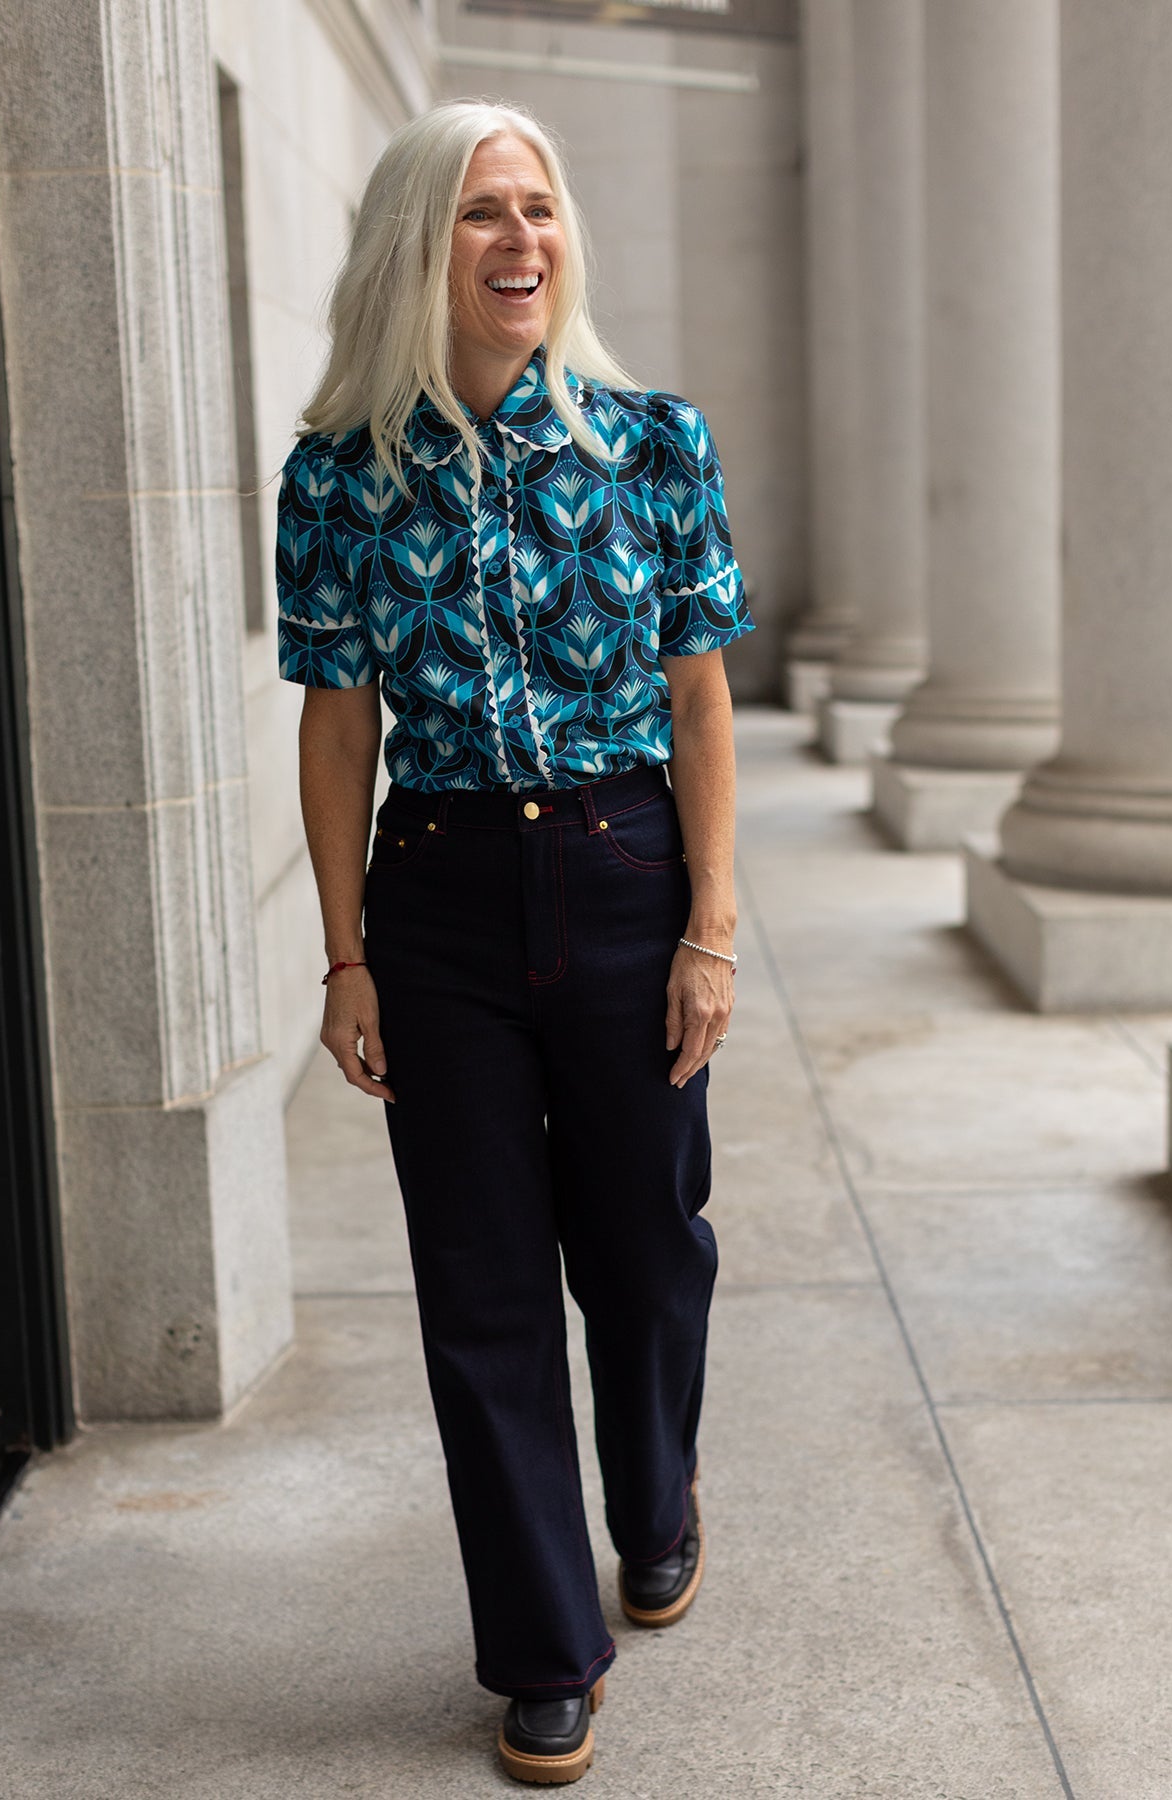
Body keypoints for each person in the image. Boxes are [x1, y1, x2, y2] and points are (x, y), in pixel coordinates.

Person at [277, 98, 753, 1785]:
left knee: (643, 1244)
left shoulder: (653, 442)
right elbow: (339, 730)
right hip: (443, 891)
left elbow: (699, 701)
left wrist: (708, 923)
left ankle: (654, 1492)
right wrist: (345, 957)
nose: (519, 243)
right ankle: (544, 1645)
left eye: (538, 210)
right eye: (483, 213)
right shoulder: (340, 473)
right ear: (423, 242)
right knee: (479, 1285)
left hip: (627, 873)